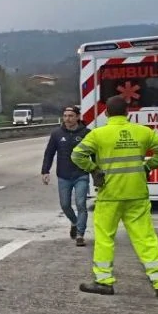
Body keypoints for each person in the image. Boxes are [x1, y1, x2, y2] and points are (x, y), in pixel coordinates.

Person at [70, 95, 158, 298]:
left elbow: (76, 155)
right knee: (145, 237)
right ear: (127, 112)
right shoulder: (143, 132)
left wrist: (94, 169)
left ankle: (103, 281)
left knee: (105, 238)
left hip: (110, 195)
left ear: (106, 113)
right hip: (136, 194)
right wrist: (148, 166)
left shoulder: (99, 134)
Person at [41, 105, 91, 246]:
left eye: (70, 116)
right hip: (63, 175)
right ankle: (75, 222)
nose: (67, 119)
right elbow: (49, 153)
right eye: (65, 116)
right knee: (65, 205)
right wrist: (45, 171)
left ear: (77, 117)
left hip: (81, 174)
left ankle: (80, 234)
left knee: (81, 204)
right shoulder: (57, 133)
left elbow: (94, 154)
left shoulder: (86, 133)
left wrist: (97, 170)